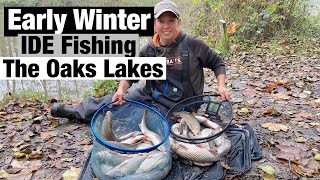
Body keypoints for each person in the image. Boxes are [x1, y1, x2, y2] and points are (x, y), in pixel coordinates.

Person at [50, 0, 230, 122]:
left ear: (178, 22)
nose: (166, 26)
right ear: (155, 24)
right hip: (151, 94)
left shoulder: (193, 45)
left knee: (141, 121)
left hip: (182, 104)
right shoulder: (148, 49)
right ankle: (74, 112)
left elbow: (217, 63)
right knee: (113, 102)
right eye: (161, 21)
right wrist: (121, 89)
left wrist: (221, 86)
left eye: (171, 21)